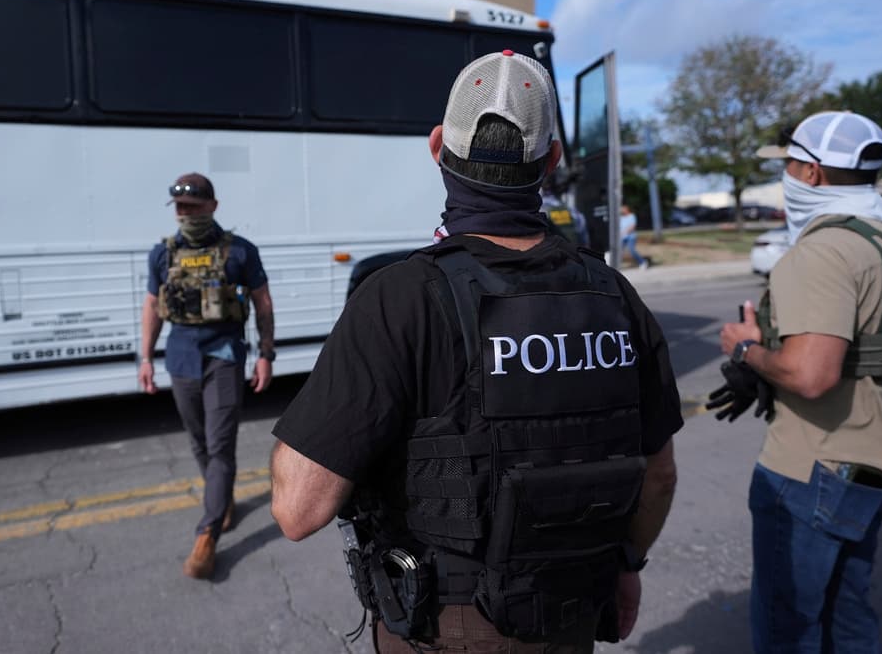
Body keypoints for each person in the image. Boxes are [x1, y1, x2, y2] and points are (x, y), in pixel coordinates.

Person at [270, 51, 682, 651]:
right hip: (573, 613)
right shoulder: (612, 292)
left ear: (438, 147)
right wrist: (628, 567)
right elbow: (660, 473)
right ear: (552, 161)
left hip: (453, 626)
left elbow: (298, 508)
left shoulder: (400, 298)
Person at [713, 111, 882, 653]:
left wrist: (747, 349)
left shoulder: (822, 250)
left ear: (813, 174)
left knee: (788, 625)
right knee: (848, 610)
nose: (788, 175)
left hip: (815, 469)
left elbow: (811, 374)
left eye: (791, 164)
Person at [139, 172, 276, 580]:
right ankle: (222, 502)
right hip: (181, 359)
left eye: (194, 207)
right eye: (181, 208)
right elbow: (151, 306)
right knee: (199, 443)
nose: (187, 215)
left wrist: (266, 354)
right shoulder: (161, 255)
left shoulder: (240, 252)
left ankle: (207, 534)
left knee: (219, 447)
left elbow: (263, 304)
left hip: (223, 359)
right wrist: (144, 357)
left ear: (213, 207)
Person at [619, 204, 649, 269]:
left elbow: (633, 226)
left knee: (632, 250)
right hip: (622, 237)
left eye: (623, 209)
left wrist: (625, 232)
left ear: (627, 209)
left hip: (631, 237)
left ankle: (643, 262)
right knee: (619, 251)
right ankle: (617, 265)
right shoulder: (621, 218)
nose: (621, 210)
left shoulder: (631, 216)